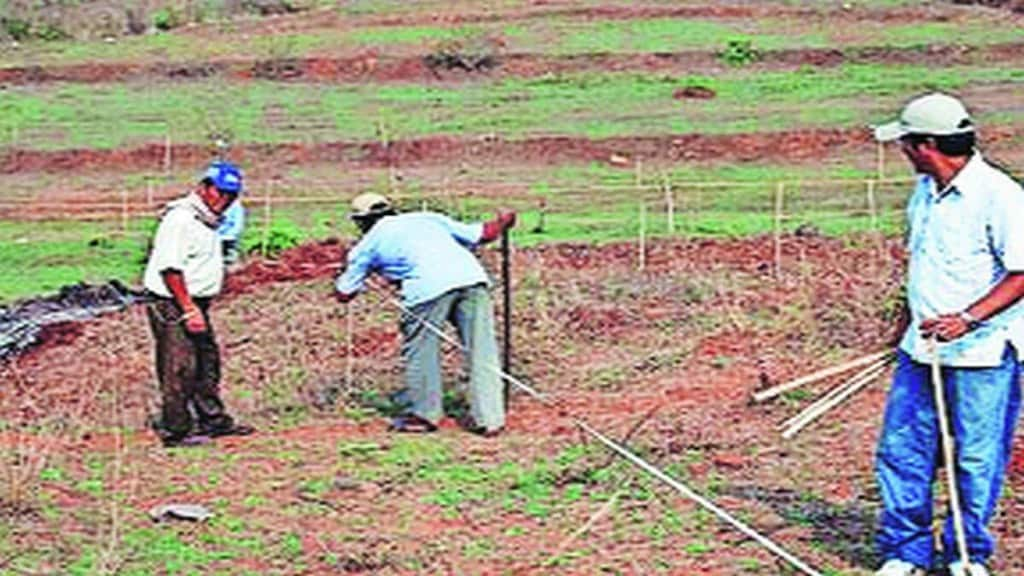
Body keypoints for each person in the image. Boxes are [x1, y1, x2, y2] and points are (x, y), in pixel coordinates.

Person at [871, 93, 1024, 576]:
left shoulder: (1000, 196)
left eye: (906, 143)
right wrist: (901, 330)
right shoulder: (924, 191)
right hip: (921, 352)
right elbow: (921, 266)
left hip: (982, 354)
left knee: (976, 459)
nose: (903, 152)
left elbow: (1023, 274)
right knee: (902, 450)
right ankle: (905, 552)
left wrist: (969, 318)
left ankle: (965, 554)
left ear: (927, 145)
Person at [334, 193, 516, 436]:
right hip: (472, 279)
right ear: (391, 210)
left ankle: (424, 415)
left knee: (421, 352)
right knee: (482, 350)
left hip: (426, 291)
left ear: (361, 221)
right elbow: (484, 234)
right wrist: (504, 221)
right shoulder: (428, 218)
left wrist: (346, 274)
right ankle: (491, 419)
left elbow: (345, 292)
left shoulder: (367, 245)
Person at [143, 161, 255, 447]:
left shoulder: (207, 220)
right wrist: (188, 308)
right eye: (220, 192)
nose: (225, 201)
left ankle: (213, 419)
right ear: (204, 188)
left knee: (207, 361)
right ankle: (176, 430)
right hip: (173, 302)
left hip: (196, 301)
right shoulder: (181, 219)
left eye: (231, 196)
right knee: (179, 365)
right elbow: (170, 269)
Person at [217, 199, 245, 265]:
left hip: (229, 237)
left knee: (229, 259)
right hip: (215, 237)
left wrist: (232, 233)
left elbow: (238, 224)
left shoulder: (236, 206)